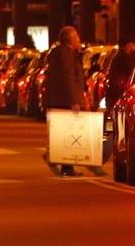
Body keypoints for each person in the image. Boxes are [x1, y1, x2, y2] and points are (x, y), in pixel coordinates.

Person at [42, 25, 87, 177]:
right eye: (77, 38)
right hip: (65, 99)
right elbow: (68, 78)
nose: (79, 41)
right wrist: (73, 100)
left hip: (59, 98)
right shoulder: (66, 54)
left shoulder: (58, 53)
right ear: (71, 40)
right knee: (69, 134)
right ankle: (65, 165)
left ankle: (62, 162)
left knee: (63, 133)